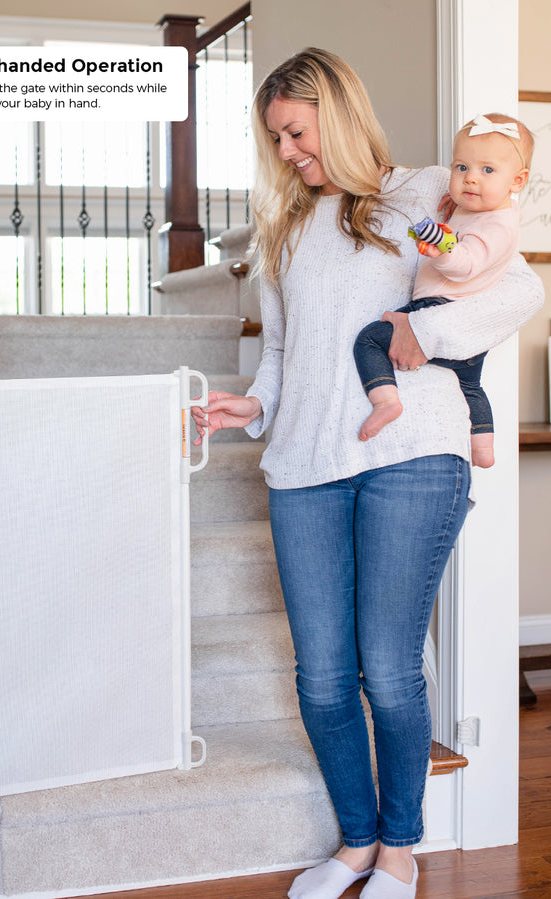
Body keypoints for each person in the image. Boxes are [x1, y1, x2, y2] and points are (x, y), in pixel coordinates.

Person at [191, 48, 543, 899]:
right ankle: (354, 841)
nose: (285, 152)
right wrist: (254, 406)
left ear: (338, 115)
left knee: (388, 667)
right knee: (321, 673)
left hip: (412, 454)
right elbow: (283, 351)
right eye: (273, 137)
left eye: (296, 131)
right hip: (305, 462)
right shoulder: (283, 229)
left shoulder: (429, 191)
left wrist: (435, 336)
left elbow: (519, 287)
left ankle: (399, 848)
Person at [353, 113, 534, 468]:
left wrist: (444, 250)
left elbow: (467, 263)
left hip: (440, 307)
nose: (470, 178)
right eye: (462, 167)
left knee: (370, 339)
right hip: (466, 328)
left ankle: (385, 400)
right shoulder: (492, 210)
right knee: (469, 385)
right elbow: (471, 208)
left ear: (518, 180)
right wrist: (460, 206)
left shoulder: (497, 226)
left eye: (487, 171)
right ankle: (483, 447)